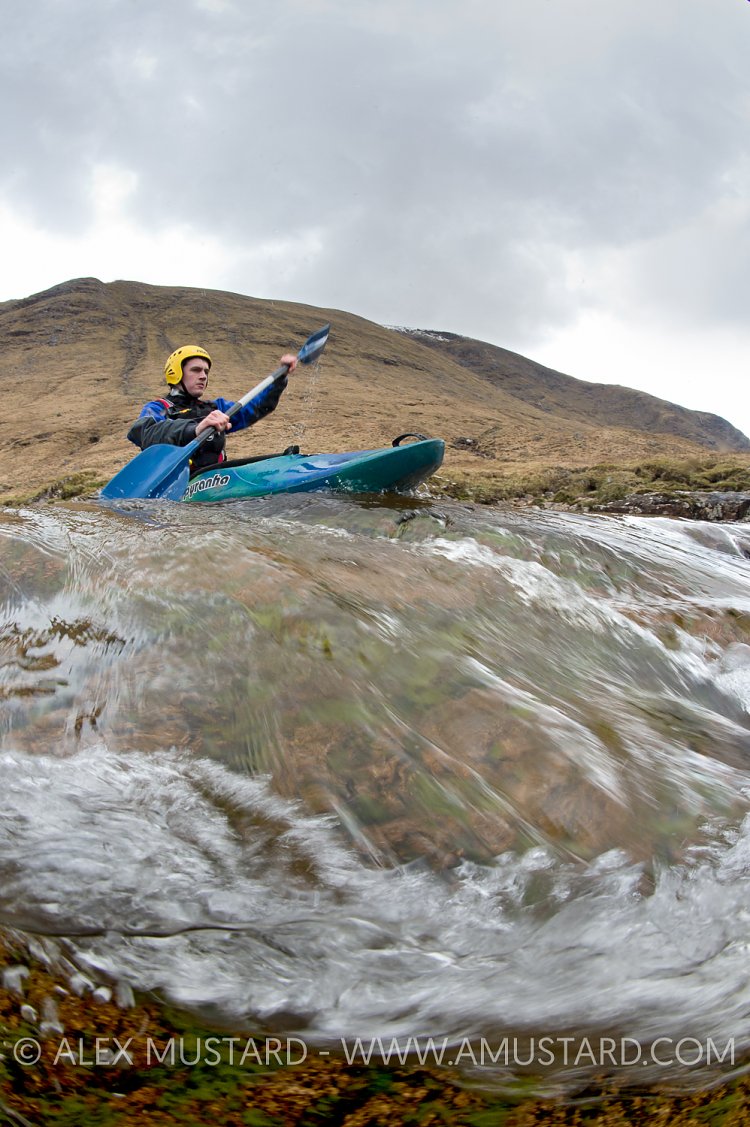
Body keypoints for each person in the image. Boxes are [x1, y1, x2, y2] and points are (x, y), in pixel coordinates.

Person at [127, 344, 298, 475]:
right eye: (195, 370)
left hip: (215, 480)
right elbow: (143, 433)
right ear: (176, 373)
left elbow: (257, 408)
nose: (203, 376)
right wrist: (195, 429)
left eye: (206, 371)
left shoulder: (216, 409)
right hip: (178, 485)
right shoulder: (159, 408)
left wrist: (279, 380)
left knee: (284, 458)